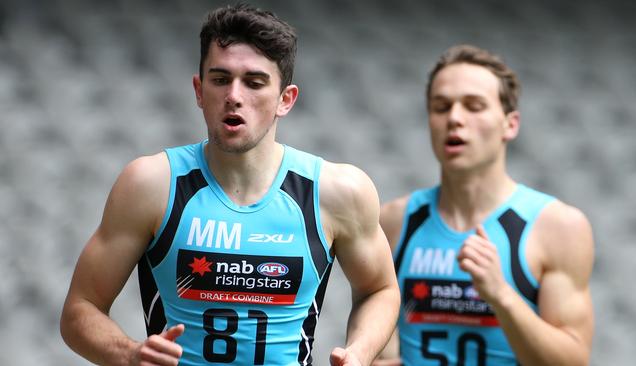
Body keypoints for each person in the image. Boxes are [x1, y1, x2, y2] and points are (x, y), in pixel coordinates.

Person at [60, 4, 400, 366]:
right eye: (220, 79)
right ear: (199, 90)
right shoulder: (151, 183)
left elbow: (379, 289)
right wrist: (129, 355)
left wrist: (359, 354)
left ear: (286, 99)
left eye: (254, 83)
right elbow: (80, 310)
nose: (234, 96)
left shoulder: (337, 191)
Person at [375, 44, 594, 365]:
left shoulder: (559, 226)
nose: (454, 118)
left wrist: (500, 293)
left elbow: (573, 361)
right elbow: (380, 334)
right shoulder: (393, 221)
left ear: (511, 124)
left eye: (474, 106)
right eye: (441, 106)